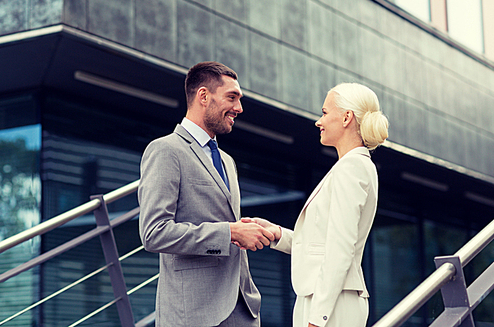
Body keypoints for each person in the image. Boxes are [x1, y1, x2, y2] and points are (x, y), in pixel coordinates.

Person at [138, 61, 275, 327]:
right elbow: (154, 233)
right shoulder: (166, 150)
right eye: (231, 97)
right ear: (203, 96)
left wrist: (245, 231)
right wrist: (230, 233)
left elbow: (223, 221)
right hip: (194, 314)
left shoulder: (227, 161)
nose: (239, 108)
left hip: (242, 308)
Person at [245, 83, 389, 327]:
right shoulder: (351, 166)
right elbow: (322, 244)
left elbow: (341, 248)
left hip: (331, 303)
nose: (318, 122)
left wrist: (318, 318)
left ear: (346, 117)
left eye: (324, 112)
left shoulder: (352, 167)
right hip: (328, 298)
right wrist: (277, 234)